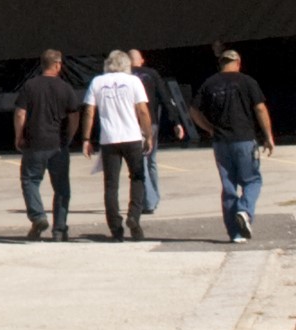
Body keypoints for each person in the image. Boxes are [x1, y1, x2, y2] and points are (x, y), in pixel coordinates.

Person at [192, 47, 277, 242]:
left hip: (221, 142)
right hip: (245, 140)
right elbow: (260, 109)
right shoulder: (247, 81)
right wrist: (268, 136)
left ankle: (236, 234)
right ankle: (245, 210)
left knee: (229, 186)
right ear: (238, 63)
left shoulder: (209, 84)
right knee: (252, 180)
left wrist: (209, 128)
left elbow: (193, 111)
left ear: (220, 63)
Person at [83, 50, 154, 241]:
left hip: (109, 138)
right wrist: (148, 135)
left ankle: (116, 228)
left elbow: (89, 111)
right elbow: (143, 111)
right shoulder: (133, 81)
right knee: (137, 177)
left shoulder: (97, 82)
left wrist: (86, 138)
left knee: (111, 184)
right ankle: (134, 216)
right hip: (131, 137)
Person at [12, 50, 82, 241]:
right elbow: (74, 115)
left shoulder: (30, 86)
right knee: (61, 188)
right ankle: (59, 229)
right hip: (58, 143)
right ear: (57, 65)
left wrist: (19, 136)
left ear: (42, 65)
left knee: (30, 181)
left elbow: (20, 113)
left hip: (34, 142)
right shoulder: (65, 87)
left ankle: (38, 216)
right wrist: (70, 136)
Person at [130, 48, 189, 217]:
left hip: (134, 123)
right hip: (152, 122)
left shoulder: (125, 76)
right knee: (151, 161)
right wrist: (176, 122)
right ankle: (154, 196)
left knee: (141, 161)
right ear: (141, 60)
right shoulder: (152, 74)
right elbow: (165, 97)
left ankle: (149, 201)